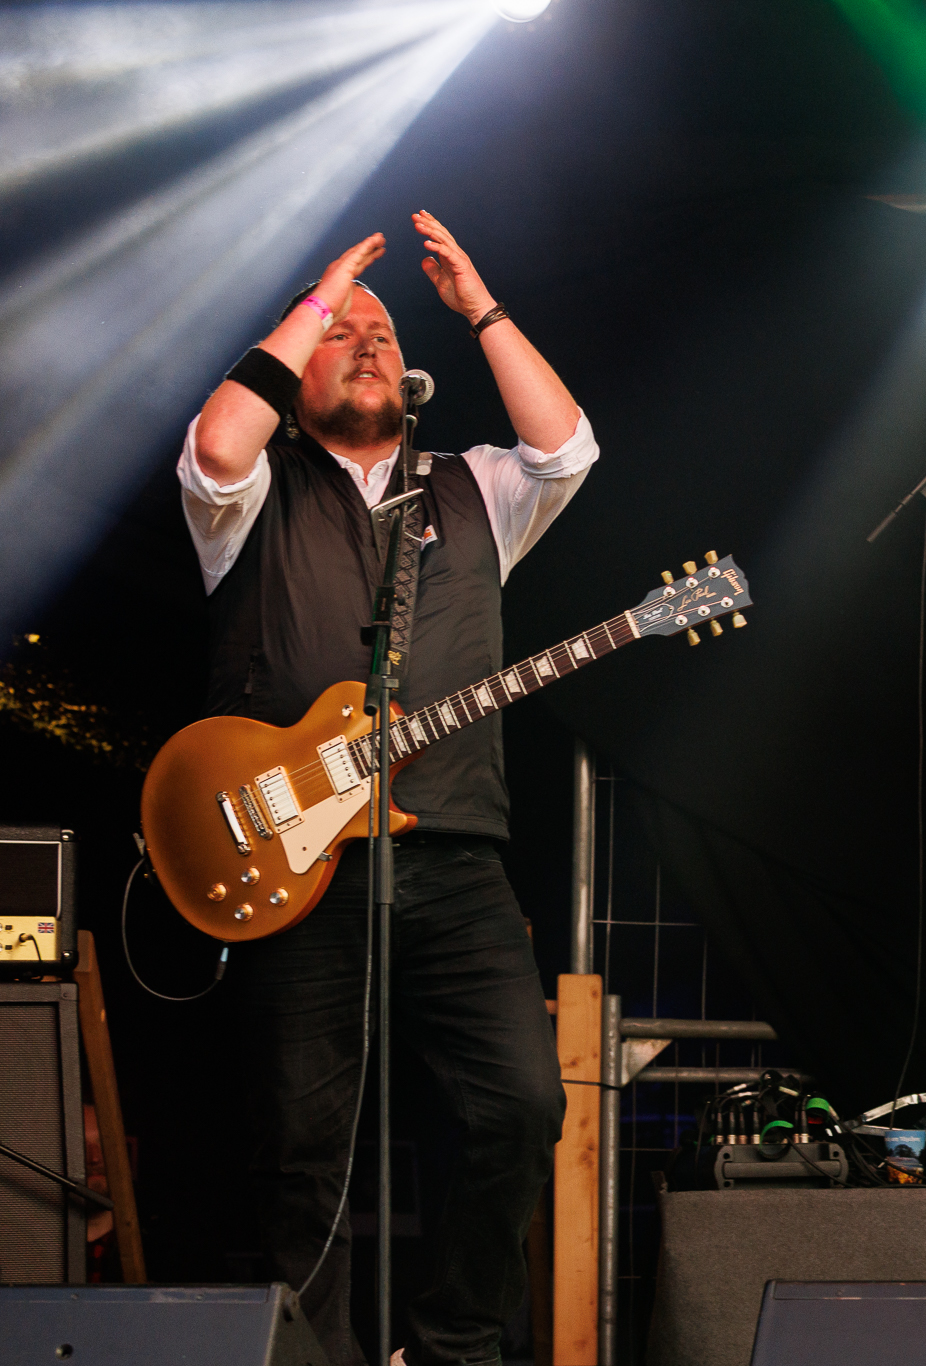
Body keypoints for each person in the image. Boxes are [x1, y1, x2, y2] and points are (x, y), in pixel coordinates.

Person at [178, 212, 595, 1366]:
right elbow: (218, 440)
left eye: (382, 332)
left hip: (451, 852)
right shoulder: (251, 492)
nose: (365, 340)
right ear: (291, 371)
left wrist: (479, 309)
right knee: (301, 1145)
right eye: (338, 334)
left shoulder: (474, 485)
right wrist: (319, 297)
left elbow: (566, 447)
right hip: (298, 863)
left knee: (521, 1103)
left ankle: (449, 1346)